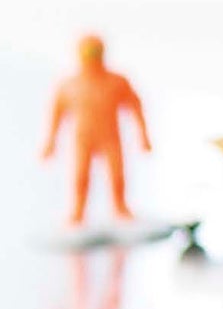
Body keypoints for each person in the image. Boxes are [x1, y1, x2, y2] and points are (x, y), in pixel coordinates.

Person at [41, 34, 150, 228]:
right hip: (83, 138)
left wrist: (144, 136)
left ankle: (121, 209)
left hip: (110, 137)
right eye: (88, 52)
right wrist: (50, 142)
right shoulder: (69, 85)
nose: (91, 57)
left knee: (117, 175)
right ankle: (78, 213)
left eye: (95, 51)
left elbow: (136, 107)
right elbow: (56, 115)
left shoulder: (117, 81)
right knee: (80, 176)